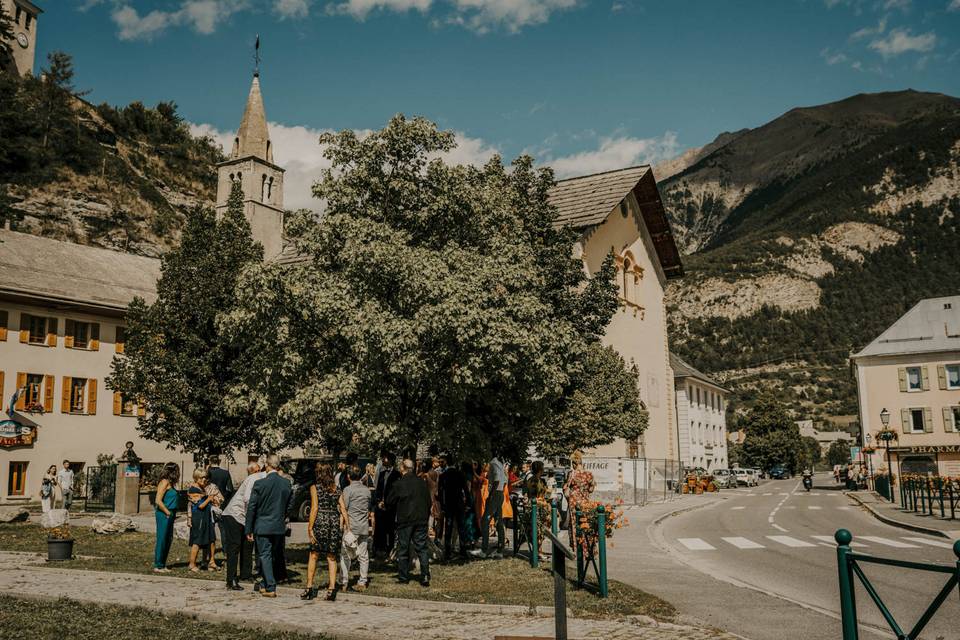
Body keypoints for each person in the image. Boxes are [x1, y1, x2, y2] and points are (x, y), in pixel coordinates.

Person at [245, 454, 292, 598]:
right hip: (278, 525)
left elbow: (252, 507)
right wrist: (283, 516)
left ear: (267, 465)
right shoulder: (286, 483)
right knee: (271, 555)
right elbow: (290, 504)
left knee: (264, 555)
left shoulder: (260, 484)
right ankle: (265, 584)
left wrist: (249, 528)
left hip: (262, 524)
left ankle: (271, 586)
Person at [302, 463, 347, 601]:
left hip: (320, 521)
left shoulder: (315, 488)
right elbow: (343, 508)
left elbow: (314, 508)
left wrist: (310, 527)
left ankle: (309, 587)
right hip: (333, 522)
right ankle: (332, 589)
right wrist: (347, 526)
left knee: (314, 554)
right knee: (331, 556)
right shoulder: (337, 489)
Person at [387, 459, 432, 586]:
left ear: (403, 468)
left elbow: (390, 501)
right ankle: (425, 576)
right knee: (422, 548)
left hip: (405, 520)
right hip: (421, 519)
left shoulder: (399, 484)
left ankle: (403, 577)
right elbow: (428, 501)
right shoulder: (421, 483)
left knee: (403, 548)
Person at [221, 462, 265, 590]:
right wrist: (250, 522)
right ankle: (231, 580)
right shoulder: (254, 478)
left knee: (247, 545)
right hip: (234, 515)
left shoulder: (261, 479)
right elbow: (247, 499)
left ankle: (246, 574)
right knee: (234, 547)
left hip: (244, 517)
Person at [340, 465, 374, 591]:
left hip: (351, 526)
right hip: (363, 525)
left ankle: (344, 581)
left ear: (348, 476)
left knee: (345, 555)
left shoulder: (348, 490)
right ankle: (363, 581)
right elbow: (368, 507)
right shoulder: (366, 490)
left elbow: (345, 508)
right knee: (363, 555)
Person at [438, 456, 469, 560]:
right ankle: (463, 550)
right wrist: (468, 503)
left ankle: (447, 551)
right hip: (459, 503)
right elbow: (466, 489)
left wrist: (442, 505)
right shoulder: (460, 474)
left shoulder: (443, 475)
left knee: (448, 528)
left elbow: (440, 492)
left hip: (448, 504)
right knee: (461, 528)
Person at [477, 455, 506, 558]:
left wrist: (492, 495)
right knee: (499, 521)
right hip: (500, 493)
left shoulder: (493, 463)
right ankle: (500, 550)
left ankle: (484, 550)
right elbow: (504, 481)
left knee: (485, 521)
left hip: (495, 494)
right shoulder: (500, 464)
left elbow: (497, 480)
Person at [153, 463, 180, 573]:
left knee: (168, 539)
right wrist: (167, 512)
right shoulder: (164, 482)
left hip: (171, 513)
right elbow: (158, 500)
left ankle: (163, 564)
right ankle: (158, 565)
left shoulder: (171, 484)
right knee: (162, 538)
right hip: (164, 513)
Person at [187, 469, 216, 572]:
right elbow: (200, 506)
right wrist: (209, 498)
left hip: (204, 517)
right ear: (196, 478)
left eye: (205, 477)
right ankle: (192, 564)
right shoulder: (194, 489)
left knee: (204, 540)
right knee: (197, 541)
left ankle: (205, 562)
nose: (204, 480)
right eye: (201, 477)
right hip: (198, 517)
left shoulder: (200, 488)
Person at [564, 451, 596, 545]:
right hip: (585, 502)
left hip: (573, 502)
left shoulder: (572, 474)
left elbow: (566, 488)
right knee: (585, 523)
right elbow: (591, 489)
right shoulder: (589, 474)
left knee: (575, 523)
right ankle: (587, 545)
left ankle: (576, 545)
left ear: (574, 463)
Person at [373, 452, 400, 556]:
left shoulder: (397, 475)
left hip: (391, 506)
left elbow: (395, 492)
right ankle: (380, 548)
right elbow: (378, 489)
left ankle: (390, 549)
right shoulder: (382, 473)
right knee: (380, 528)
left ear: (390, 460)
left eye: (385, 459)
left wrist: (388, 503)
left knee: (391, 528)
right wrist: (379, 501)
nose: (383, 460)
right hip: (380, 505)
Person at [524, 461, 551, 557]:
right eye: (542, 467)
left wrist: (548, 495)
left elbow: (546, 492)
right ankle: (538, 551)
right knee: (538, 529)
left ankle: (539, 549)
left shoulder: (542, 480)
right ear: (539, 469)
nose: (543, 469)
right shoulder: (532, 481)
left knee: (544, 527)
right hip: (536, 508)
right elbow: (532, 496)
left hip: (543, 507)